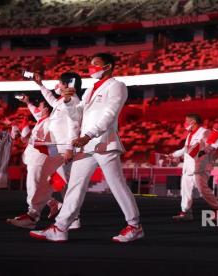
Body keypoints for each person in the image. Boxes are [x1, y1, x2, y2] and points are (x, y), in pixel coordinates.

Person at [30, 53, 143, 243]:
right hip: (87, 144)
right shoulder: (90, 89)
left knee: (117, 185)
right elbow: (77, 115)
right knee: (75, 185)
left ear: (107, 66)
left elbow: (110, 114)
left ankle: (134, 225)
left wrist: (88, 135)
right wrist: (67, 102)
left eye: (95, 64)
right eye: (90, 64)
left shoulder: (117, 86)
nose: (91, 68)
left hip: (104, 143)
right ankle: (60, 227)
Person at [7, 72, 81, 230]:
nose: (57, 86)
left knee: (60, 182)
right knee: (45, 179)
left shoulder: (72, 101)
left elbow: (74, 125)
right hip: (56, 148)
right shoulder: (62, 101)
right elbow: (52, 101)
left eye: (60, 83)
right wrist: (40, 85)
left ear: (68, 85)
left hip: (63, 148)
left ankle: (67, 217)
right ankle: (34, 215)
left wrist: (69, 148)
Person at [169, 113, 218, 221]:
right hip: (188, 167)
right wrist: (174, 155)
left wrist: (203, 152)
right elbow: (186, 149)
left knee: (203, 190)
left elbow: (211, 147)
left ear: (193, 122)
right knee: (185, 191)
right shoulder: (190, 134)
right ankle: (185, 212)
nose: (184, 123)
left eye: (186, 121)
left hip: (200, 167)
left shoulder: (205, 132)